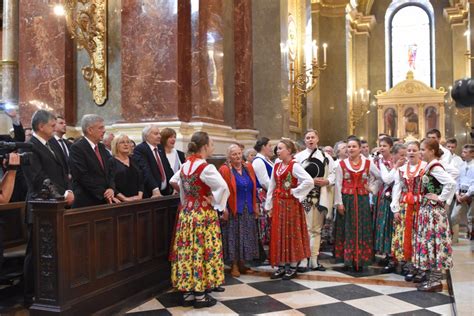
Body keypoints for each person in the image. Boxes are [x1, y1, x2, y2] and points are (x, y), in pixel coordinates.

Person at [169, 132, 230, 309]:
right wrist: (215, 202)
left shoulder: (185, 165)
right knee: (203, 250)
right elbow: (223, 187)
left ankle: (188, 293)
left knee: (188, 250)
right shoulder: (206, 167)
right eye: (212, 144)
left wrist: (188, 198)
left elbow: (175, 182)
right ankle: (201, 296)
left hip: (187, 214)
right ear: (204, 147)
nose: (213, 146)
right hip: (203, 215)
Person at [22, 110, 74, 305]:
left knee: (56, 251)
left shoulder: (53, 144)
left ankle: (53, 292)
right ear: (41, 126)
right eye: (52, 126)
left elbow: (64, 172)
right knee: (35, 253)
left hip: (58, 206)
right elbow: (37, 178)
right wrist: (63, 194)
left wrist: (68, 190)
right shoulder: (29, 147)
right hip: (39, 208)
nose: (55, 129)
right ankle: (30, 295)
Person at [265, 139, 314, 280]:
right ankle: (281, 264)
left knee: (291, 233)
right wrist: (269, 204)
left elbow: (309, 181)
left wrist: (296, 191)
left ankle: (292, 265)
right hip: (279, 203)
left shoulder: (295, 166)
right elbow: (272, 186)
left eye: (280, 148)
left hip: (291, 204)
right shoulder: (277, 164)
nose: (277, 151)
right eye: (277, 149)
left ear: (289, 150)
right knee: (279, 233)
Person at [413, 139, 455, 292]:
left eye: (423, 150)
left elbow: (451, 183)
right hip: (428, 211)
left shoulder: (435, 167)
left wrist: (441, 198)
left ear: (432, 151)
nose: (420, 153)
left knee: (434, 244)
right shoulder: (430, 166)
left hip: (434, 212)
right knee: (431, 244)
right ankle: (433, 280)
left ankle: (435, 282)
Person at [334, 137, 381, 271]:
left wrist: (371, 189)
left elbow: (379, 178)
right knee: (347, 228)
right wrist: (339, 203)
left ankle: (361, 258)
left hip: (362, 200)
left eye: (354, 146)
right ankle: (348, 259)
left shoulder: (367, 163)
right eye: (349, 147)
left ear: (360, 148)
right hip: (347, 199)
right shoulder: (341, 164)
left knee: (362, 227)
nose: (351, 149)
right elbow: (337, 184)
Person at [294, 129, 335, 271]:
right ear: (304, 141)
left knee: (316, 230)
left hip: (319, 196)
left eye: (313, 137)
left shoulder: (326, 157)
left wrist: (327, 181)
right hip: (303, 197)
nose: (310, 140)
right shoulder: (298, 157)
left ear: (317, 139)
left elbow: (334, 173)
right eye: (307, 137)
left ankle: (314, 260)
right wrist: (310, 181)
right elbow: (294, 176)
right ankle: (303, 259)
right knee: (304, 229)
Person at [219, 144, 259, 277]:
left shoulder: (248, 167)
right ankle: (234, 265)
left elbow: (254, 186)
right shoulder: (225, 169)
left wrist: (256, 205)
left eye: (239, 153)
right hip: (233, 208)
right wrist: (223, 208)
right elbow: (221, 190)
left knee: (246, 236)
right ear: (229, 156)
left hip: (248, 207)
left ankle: (242, 263)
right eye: (234, 154)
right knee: (234, 237)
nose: (237, 156)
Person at [391, 141, 427, 281]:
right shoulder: (401, 169)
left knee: (420, 236)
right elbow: (397, 188)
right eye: (409, 150)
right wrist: (395, 208)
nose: (411, 152)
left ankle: (422, 267)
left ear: (419, 152)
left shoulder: (425, 167)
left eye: (414, 150)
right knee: (407, 236)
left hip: (421, 206)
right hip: (405, 206)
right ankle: (410, 266)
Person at [69, 114, 117, 208]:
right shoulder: (77, 148)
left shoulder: (101, 147)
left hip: (105, 200)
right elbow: (82, 176)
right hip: (87, 202)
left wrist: (111, 188)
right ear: (90, 130)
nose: (104, 130)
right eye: (100, 128)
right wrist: (103, 193)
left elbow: (111, 171)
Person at [378, 143, 407, 273]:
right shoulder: (385, 164)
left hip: (402, 202)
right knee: (388, 229)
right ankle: (390, 258)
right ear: (394, 155)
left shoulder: (407, 166)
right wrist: (395, 167)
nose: (404, 158)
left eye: (405, 155)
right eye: (401, 155)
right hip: (388, 201)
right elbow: (387, 179)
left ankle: (402, 259)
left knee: (400, 231)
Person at [133, 125, 173, 198]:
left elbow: (167, 168)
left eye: (159, 133)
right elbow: (145, 170)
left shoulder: (160, 148)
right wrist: (154, 188)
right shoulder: (140, 149)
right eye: (156, 134)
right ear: (146, 136)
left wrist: (174, 185)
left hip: (166, 192)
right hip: (151, 193)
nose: (159, 136)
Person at [373, 136, 394, 265]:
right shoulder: (377, 161)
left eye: (385, 145)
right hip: (381, 194)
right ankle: (385, 251)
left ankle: (392, 252)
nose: (382, 148)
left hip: (393, 194)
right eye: (380, 145)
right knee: (382, 223)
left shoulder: (394, 160)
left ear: (391, 147)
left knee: (391, 223)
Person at [252, 137, 275, 249]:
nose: (271, 148)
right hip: (263, 195)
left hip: (269, 193)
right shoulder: (258, 161)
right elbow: (264, 181)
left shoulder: (266, 160)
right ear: (263, 147)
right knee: (265, 223)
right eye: (269, 146)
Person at [109, 134, 143, 202]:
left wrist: (140, 196)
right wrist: (125, 198)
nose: (126, 144)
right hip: (120, 202)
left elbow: (141, 180)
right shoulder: (111, 162)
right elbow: (110, 183)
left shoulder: (134, 160)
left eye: (128, 142)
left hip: (138, 200)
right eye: (122, 142)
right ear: (116, 145)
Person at [451, 144, 474, 243]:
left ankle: (471, 237)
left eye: (465, 152)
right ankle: (454, 239)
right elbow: (457, 181)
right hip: (460, 193)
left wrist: (467, 194)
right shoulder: (462, 165)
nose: (462, 154)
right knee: (453, 216)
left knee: (471, 217)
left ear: (472, 154)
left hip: (471, 194)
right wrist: (457, 193)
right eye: (462, 152)